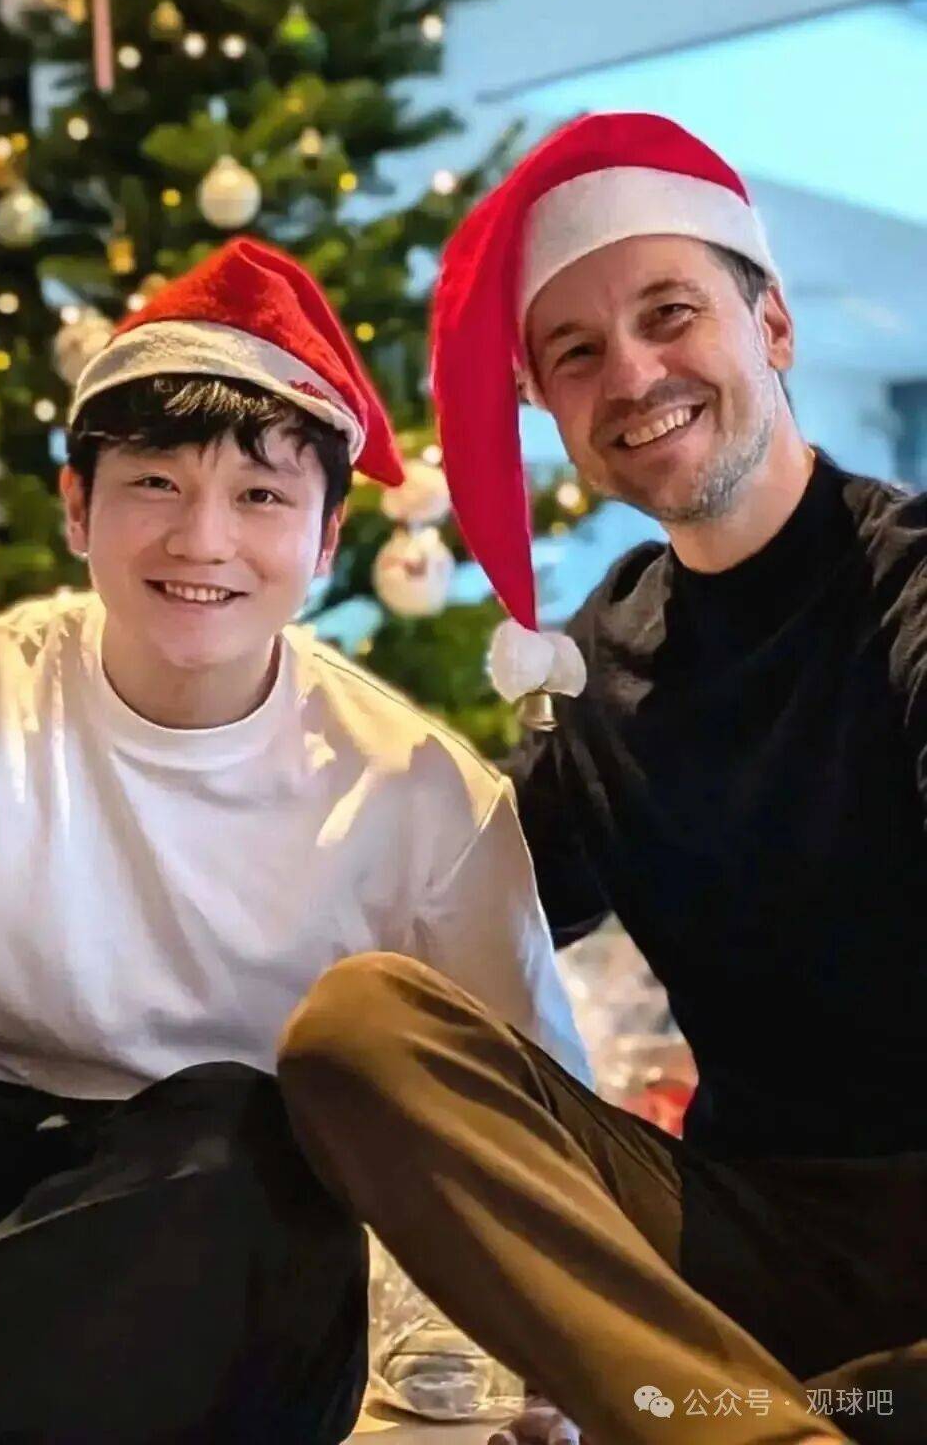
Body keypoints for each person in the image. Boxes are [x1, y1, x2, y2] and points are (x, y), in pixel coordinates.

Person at [0, 237, 589, 1445]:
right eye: (155, 483)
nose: (202, 541)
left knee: (250, 1133)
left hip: (230, 1249)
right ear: (78, 508)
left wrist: (572, 1383)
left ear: (327, 539)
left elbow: (538, 1112)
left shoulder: (415, 792)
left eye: (260, 497)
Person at [278, 112, 927, 1445]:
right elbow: (442, 914)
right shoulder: (596, 669)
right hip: (741, 1249)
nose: (632, 374)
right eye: (576, 353)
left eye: (670, 314)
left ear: (774, 326)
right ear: (548, 407)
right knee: (361, 1029)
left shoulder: (909, 589)